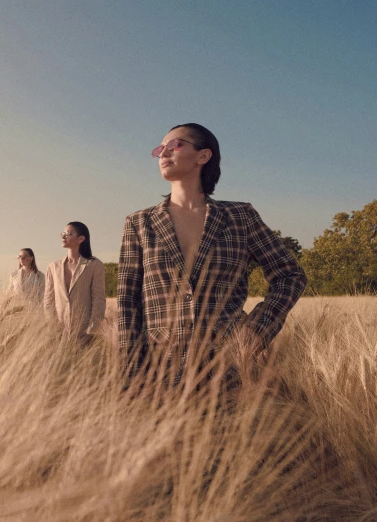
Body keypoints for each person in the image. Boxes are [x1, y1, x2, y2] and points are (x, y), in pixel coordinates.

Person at [117, 123, 306, 383]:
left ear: (203, 156)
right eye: (160, 149)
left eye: (175, 145)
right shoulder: (139, 223)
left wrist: (257, 331)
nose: (163, 153)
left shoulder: (240, 216)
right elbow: (128, 300)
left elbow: (289, 275)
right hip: (159, 372)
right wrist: (129, 371)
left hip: (227, 371)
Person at [45, 222, 107, 343]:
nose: (63, 236)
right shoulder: (52, 267)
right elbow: (48, 299)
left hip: (85, 331)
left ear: (81, 239)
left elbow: (98, 298)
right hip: (59, 332)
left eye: (69, 233)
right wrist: (53, 327)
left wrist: (92, 330)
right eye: (63, 233)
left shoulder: (94, 265)